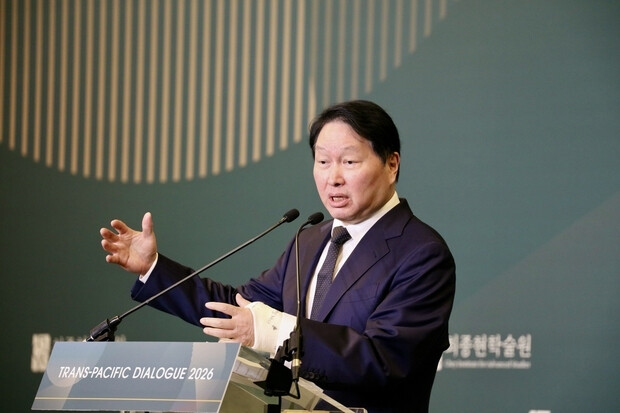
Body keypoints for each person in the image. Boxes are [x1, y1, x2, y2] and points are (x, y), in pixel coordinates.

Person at [100, 100, 456, 413]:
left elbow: (385, 360)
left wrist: (276, 332)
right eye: (322, 161)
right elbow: (240, 310)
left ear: (391, 165)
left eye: (349, 161)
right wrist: (153, 268)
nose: (333, 177)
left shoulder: (422, 253)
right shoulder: (310, 240)